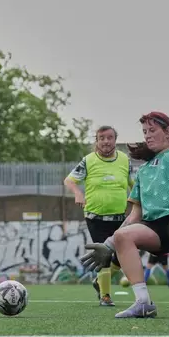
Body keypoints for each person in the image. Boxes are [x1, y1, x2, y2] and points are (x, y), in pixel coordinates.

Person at [81, 111, 169, 320]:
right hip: (154, 226)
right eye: (144, 132)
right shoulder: (143, 171)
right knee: (122, 236)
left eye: (152, 130)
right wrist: (109, 245)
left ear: (168, 132)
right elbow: (134, 216)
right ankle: (143, 303)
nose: (147, 135)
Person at [64, 125, 134, 306]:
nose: (106, 141)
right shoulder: (88, 161)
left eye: (109, 137)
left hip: (120, 217)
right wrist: (78, 193)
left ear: (115, 140)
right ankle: (105, 296)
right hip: (95, 217)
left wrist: (140, 204)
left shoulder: (125, 160)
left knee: (120, 257)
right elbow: (69, 180)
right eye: (101, 138)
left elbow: (134, 184)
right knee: (103, 255)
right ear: (97, 141)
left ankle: (99, 282)